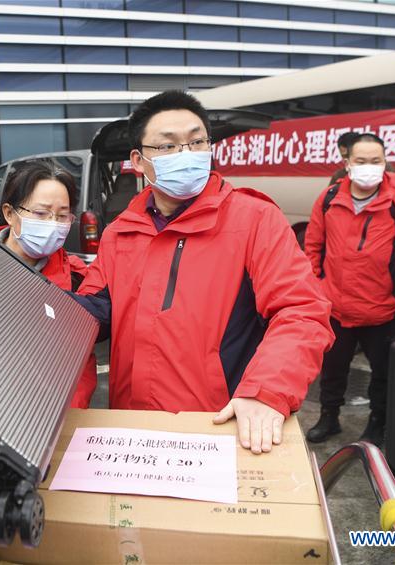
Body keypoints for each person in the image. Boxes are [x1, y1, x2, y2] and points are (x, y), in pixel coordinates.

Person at [73, 91, 334, 454]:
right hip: (134, 432)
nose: (186, 154)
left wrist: (266, 391)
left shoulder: (254, 219)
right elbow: (97, 308)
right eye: (167, 147)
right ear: (138, 160)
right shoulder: (121, 231)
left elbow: (301, 311)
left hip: (217, 430)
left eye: (196, 142)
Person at [304, 133, 395, 445]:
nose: (368, 167)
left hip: (382, 308)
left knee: (383, 373)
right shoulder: (328, 198)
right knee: (333, 368)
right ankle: (329, 416)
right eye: (361, 161)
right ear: (347, 163)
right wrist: (314, 289)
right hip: (335, 305)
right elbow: (312, 246)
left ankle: (378, 422)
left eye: (375, 161)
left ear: (385, 162)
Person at [0, 160, 98, 408]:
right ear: (9, 213)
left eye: (62, 216)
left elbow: (80, 366)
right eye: (40, 213)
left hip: (54, 416)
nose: (52, 224)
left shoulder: (80, 279)